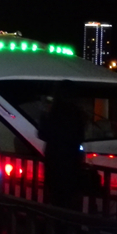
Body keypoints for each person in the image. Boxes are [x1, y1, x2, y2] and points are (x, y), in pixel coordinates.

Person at [37, 80, 86, 211]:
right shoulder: (77, 113)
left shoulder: (52, 112)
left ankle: (58, 227)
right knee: (70, 200)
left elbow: (42, 134)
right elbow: (80, 137)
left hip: (54, 161)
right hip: (72, 161)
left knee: (56, 199)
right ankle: (72, 226)